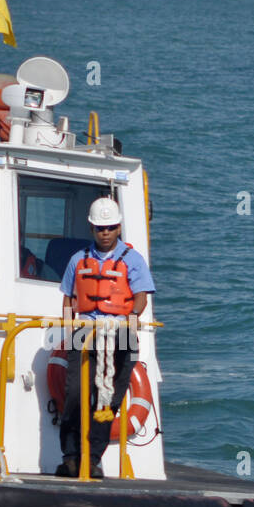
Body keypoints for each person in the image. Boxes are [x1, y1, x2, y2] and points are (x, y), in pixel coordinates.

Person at [55, 197, 154, 478]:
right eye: (100, 228)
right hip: (84, 334)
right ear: (91, 228)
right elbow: (67, 299)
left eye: (110, 227)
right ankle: (71, 457)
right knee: (74, 395)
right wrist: (67, 331)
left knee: (108, 400)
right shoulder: (78, 260)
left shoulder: (133, 260)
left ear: (119, 227)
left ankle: (93, 458)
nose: (105, 232)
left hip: (120, 335)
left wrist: (128, 322)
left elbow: (141, 298)